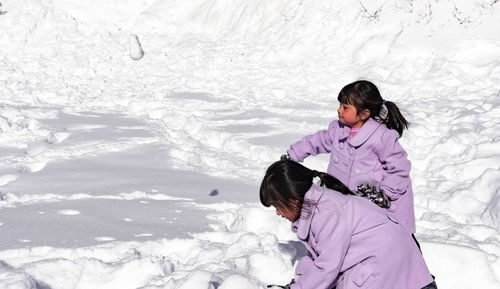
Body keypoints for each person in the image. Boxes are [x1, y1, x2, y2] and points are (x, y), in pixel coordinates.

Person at [261, 160, 437, 289]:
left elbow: (327, 268)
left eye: (278, 206)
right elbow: (318, 256)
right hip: (393, 262)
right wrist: (300, 281)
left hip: (386, 267)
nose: (278, 212)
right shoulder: (317, 206)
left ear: (294, 200)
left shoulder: (327, 213)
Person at [283, 80, 416, 233]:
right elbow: (317, 141)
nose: (339, 110)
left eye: (345, 107)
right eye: (340, 105)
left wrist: (384, 194)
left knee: (368, 235)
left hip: (372, 202)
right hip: (343, 197)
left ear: (364, 114)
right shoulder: (339, 130)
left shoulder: (381, 137)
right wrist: (293, 155)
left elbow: (399, 168)